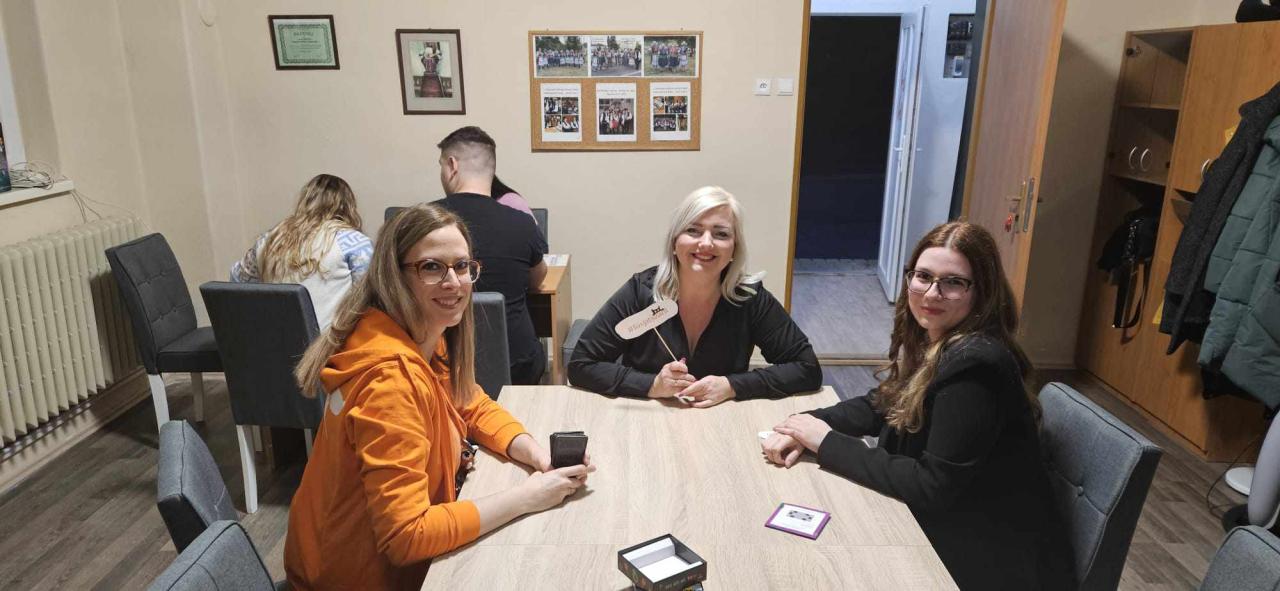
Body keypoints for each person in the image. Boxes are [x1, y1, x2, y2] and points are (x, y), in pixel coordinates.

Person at [284, 204, 593, 590]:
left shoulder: (415, 332)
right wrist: (526, 497)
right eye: (432, 267)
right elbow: (407, 536)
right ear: (394, 276)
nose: (454, 282)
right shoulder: (390, 382)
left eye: (462, 266)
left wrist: (534, 453)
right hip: (348, 579)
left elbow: (469, 402)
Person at [762, 222, 1075, 590]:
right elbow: (883, 403)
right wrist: (805, 424)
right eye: (923, 276)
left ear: (983, 291)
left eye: (953, 282)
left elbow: (931, 485)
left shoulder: (976, 366)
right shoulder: (942, 339)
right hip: (954, 526)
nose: (931, 293)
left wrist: (826, 441)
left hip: (988, 561)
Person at [568, 186, 821, 406]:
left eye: (721, 234)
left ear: (734, 248)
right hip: (648, 422)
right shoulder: (640, 291)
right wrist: (652, 385)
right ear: (674, 242)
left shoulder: (749, 297)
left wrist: (732, 386)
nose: (706, 243)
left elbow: (807, 369)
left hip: (721, 422)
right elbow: (581, 365)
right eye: (693, 230)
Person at [433, 126, 549, 385]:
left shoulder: (423, 222)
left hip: (441, 361)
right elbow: (537, 279)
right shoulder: (522, 223)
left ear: (452, 165)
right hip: (516, 364)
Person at [230, 173, 372, 330]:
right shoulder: (355, 243)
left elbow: (236, 280)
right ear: (349, 207)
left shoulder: (269, 240)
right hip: (329, 343)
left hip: (272, 339)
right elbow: (369, 299)